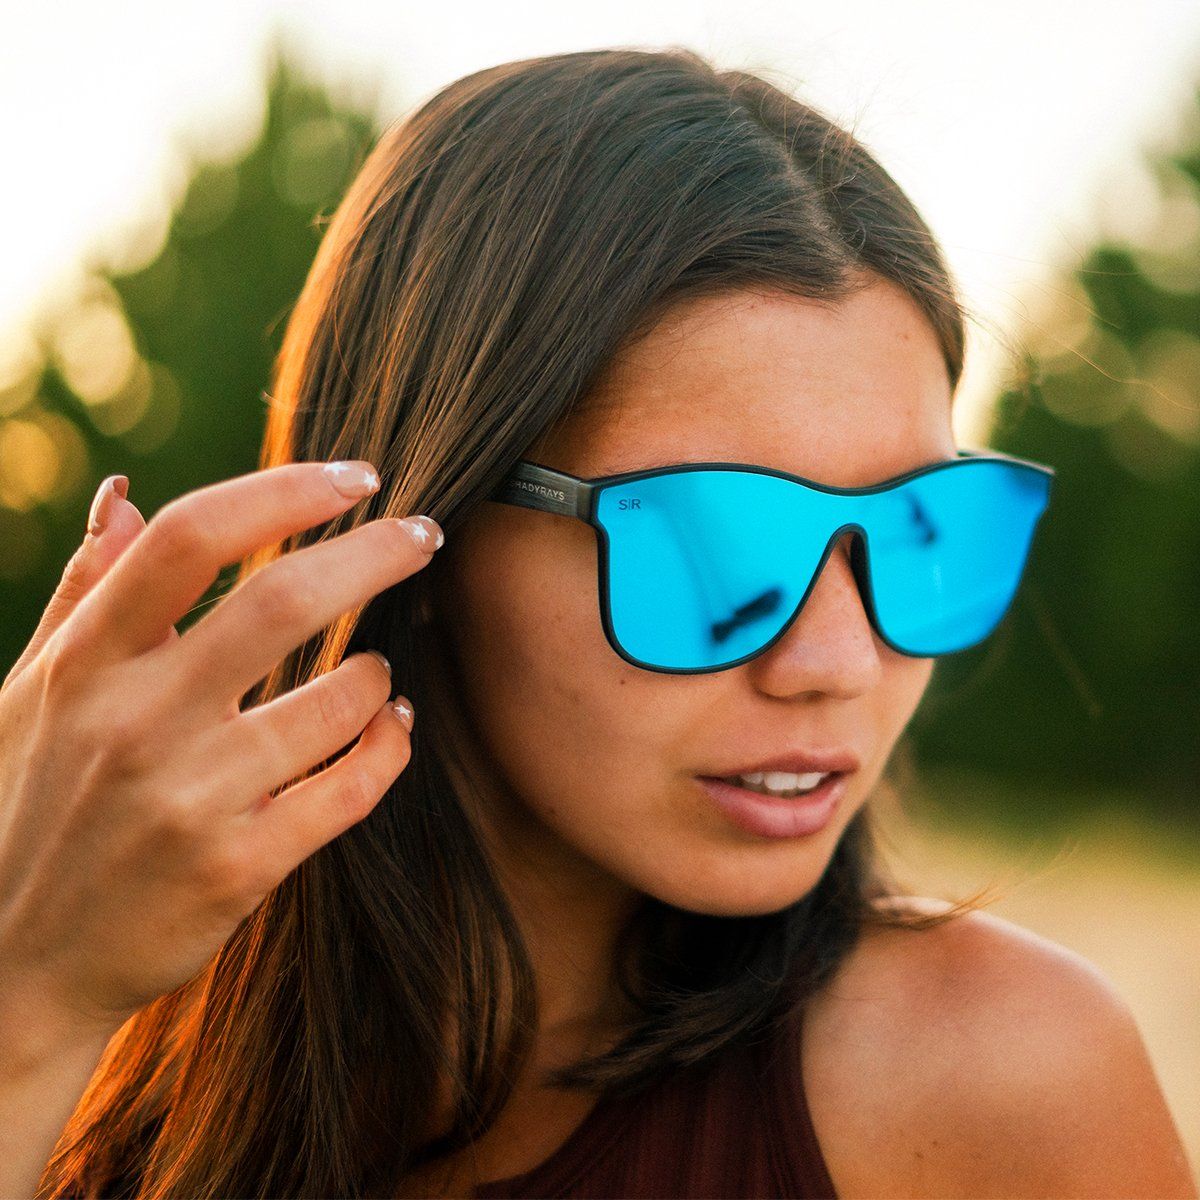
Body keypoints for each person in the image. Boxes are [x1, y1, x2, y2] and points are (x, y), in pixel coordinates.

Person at [0, 46, 1194, 1200]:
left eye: (923, 529)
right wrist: (33, 1005)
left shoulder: (996, 1080)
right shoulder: (101, 1031)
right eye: (713, 543)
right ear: (423, 532)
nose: (837, 662)